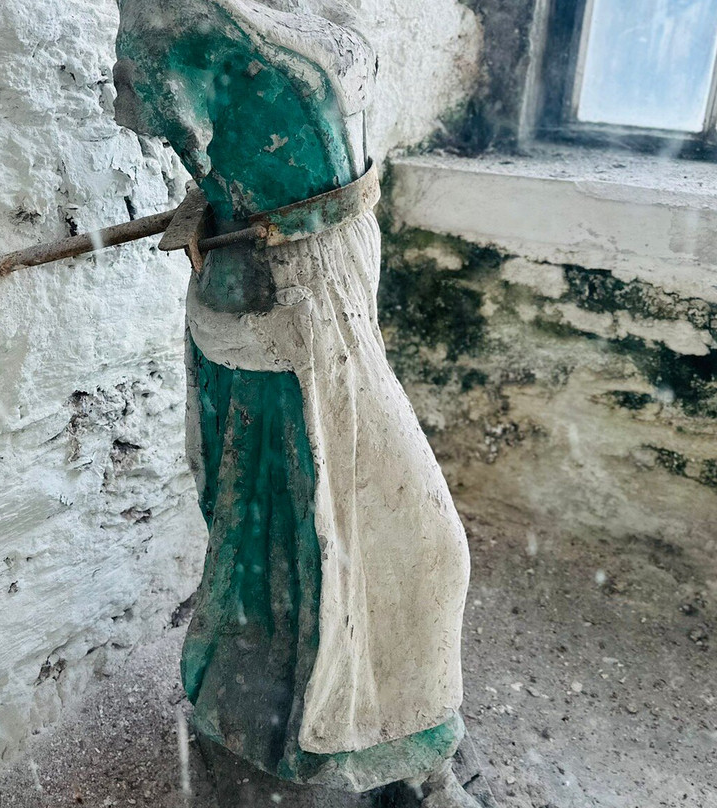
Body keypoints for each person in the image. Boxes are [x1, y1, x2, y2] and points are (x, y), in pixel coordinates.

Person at [114, 2, 479, 804]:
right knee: (340, 538)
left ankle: (397, 747)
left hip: (339, 278)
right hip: (282, 304)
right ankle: (306, 741)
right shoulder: (181, 19)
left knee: (357, 541)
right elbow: (188, 123)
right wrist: (224, 198)